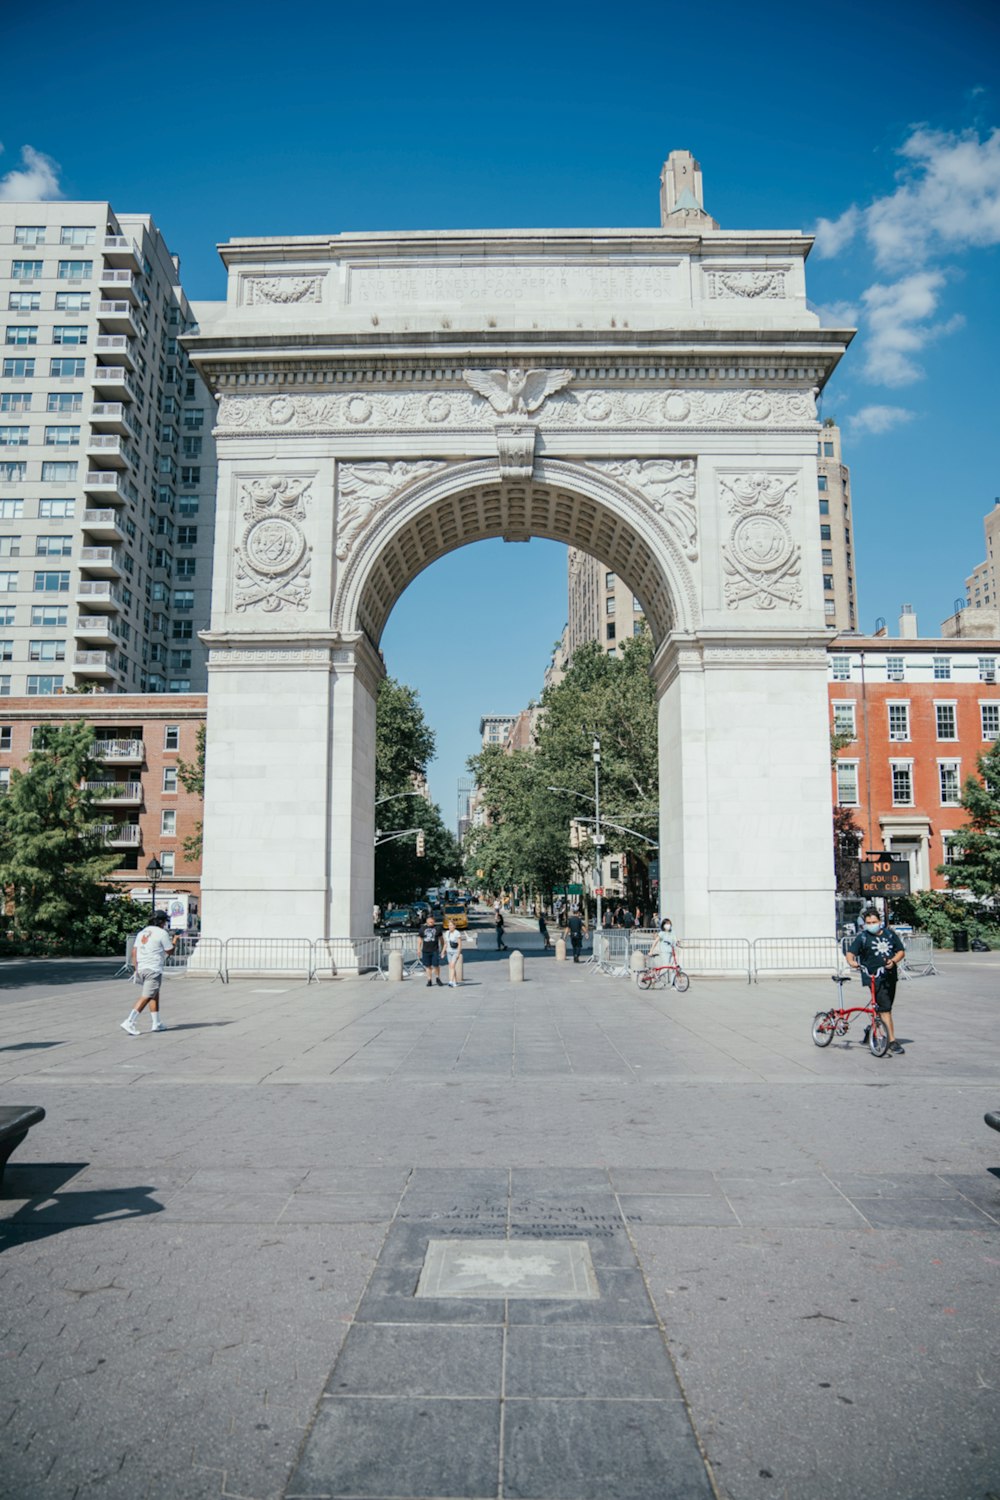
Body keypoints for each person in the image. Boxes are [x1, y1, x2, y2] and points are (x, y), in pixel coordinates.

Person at [846, 906, 906, 1054]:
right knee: (885, 1008)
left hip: (890, 976)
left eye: (874, 921)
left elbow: (900, 951)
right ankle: (892, 1041)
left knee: (885, 1006)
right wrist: (852, 962)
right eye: (869, 922)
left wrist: (893, 961)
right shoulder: (863, 937)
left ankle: (872, 1027)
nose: (872, 924)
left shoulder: (889, 934)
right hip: (873, 977)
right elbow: (850, 953)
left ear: (880, 921)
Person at [121, 911, 175, 1035]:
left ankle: (156, 1022)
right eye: (165, 921)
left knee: (154, 994)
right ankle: (129, 1021)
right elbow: (170, 951)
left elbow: (134, 951)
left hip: (142, 967)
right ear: (161, 922)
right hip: (153, 968)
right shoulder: (162, 933)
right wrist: (175, 941)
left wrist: (136, 969)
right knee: (147, 996)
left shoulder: (142, 932)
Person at [421, 912, 444, 988]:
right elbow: (420, 939)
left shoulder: (437, 928)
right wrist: (418, 948)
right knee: (427, 966)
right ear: (427, 921)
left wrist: (443, 948)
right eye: (429, 919)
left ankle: (437, 978)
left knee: (436, 965)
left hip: (435, 950)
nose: (431, 921)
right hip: (425, 950)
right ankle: (429, 980)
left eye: (432, 919)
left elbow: (441, 939)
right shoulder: (423, 928)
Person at [444, 918, 463, 987]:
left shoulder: (457, 933)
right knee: (452, 967)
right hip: (449, 951)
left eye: (451, 925)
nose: (450, 927)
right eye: (449, 925)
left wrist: (458, 953)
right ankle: (454, 982)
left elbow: (460, 944)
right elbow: (446, 943)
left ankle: (450, 981)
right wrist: (443, 952)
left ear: (454, 926)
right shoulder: (446, 933)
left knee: (452, 965)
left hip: (455, 952)